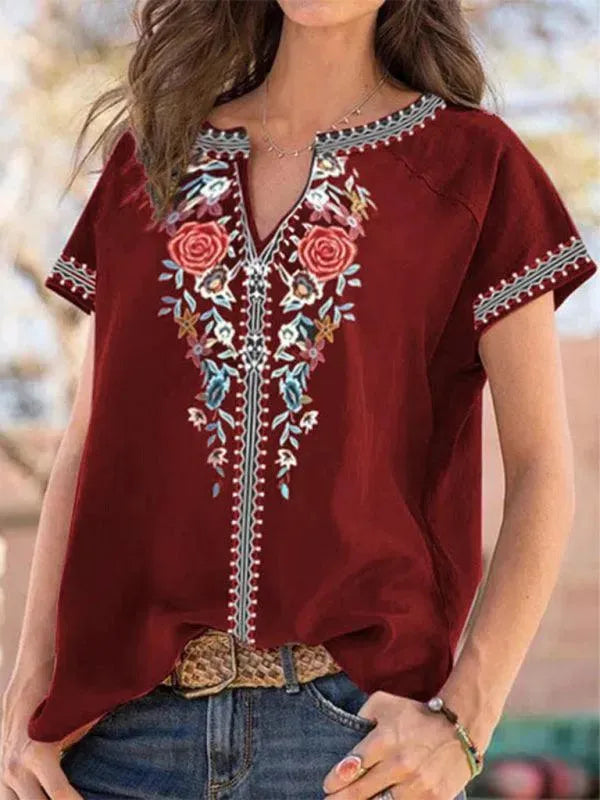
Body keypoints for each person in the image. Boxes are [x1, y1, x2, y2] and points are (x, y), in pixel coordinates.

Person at [2, 1, 597, 798]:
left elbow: (542, 470)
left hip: (350, 738)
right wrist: (29, 687)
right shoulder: (153, 158)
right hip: (118, 741)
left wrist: (465, 721)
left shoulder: (473, 167)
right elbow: (86, 447)